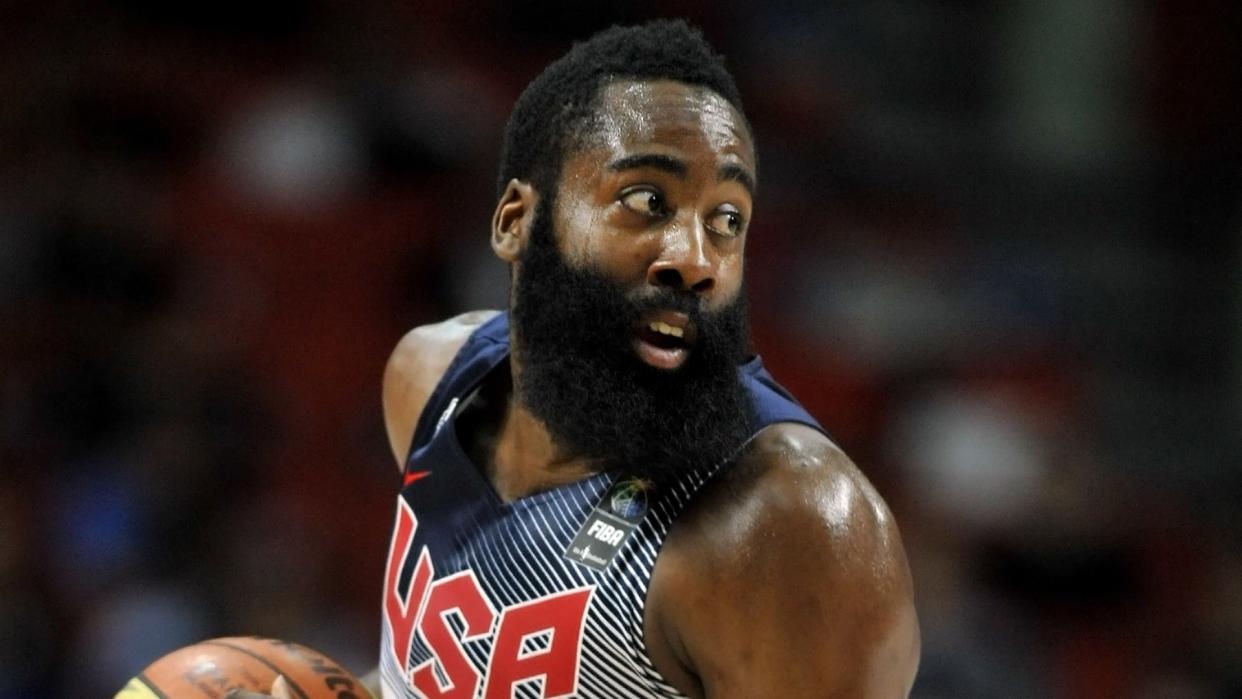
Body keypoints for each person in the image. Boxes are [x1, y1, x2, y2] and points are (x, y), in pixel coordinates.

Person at [238, 18, 918, 699]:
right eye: (647, 201)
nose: (695, 260)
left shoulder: (785, 524)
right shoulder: (430, 380)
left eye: (726, 220)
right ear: (516, 221)